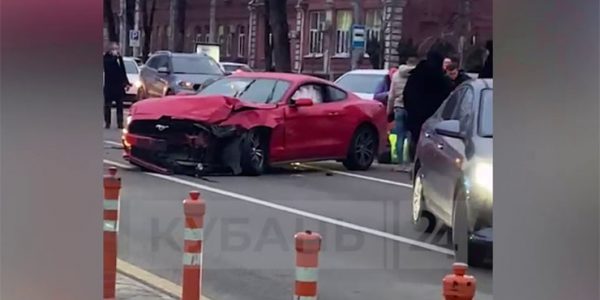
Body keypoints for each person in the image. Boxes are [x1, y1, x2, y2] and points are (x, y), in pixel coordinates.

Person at [403, 49, 454, 161]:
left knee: (416, 140)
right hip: (435, 117)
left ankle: (415, 161)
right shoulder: (441, 79)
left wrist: (411, 110)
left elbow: (407, 94)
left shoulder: (416, 75)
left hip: (416, 116)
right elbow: (448, 98)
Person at [387, 57, 418, 172]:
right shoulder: (416, 76)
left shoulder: (396, 75)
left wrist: (389, 110)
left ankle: (400, 163)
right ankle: (409, 163)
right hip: (412, 109)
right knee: (411, 136)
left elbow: (391, 95)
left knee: (399, 136)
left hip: (398, 108)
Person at [103, 42, 131, 129]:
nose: (116, 51)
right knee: (108, 105)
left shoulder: (119, 59)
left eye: (117, 49)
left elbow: (123, 71)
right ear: (110, 50)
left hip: (118, 86)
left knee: (120, 105)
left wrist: (126, 82)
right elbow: (108, 67)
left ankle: (120, 122)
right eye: (114, 49)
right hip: (109, 86)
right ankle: (107, 122)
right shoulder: (106, 58)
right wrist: (115, 58)